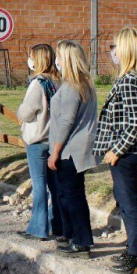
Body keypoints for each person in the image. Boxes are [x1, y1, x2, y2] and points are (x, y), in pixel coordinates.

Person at [94, 28, 137, 274]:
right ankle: (133, 248)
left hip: (127, 153)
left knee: (129, 203)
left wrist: (117, 151)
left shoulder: (130, 80)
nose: (113, 52)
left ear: (127, 51)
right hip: (133, 150)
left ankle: (136, 255)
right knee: (125, 200)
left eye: (116, 48)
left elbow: (136, 122)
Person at [47, 40, 98, 258]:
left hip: (69, 151)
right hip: (74, 149)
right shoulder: (82, 84)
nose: (55, 60)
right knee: (69, 196)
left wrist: (55, 152)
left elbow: (66, 121)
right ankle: (72, 236)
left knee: (73, 196)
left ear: (67, 59)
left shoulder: (71, 87)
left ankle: (81, 241)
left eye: (58, 56)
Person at [16, 43, 62, 241]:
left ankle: (38, 227)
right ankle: (55, 222)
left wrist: (19, 112)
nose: (30, 60)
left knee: (39, 184)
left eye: (31, 56)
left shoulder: (38, 83)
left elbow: (27, 112)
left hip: (37, 139)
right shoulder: (59, 81)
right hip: (54, 140)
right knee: (55, 186)